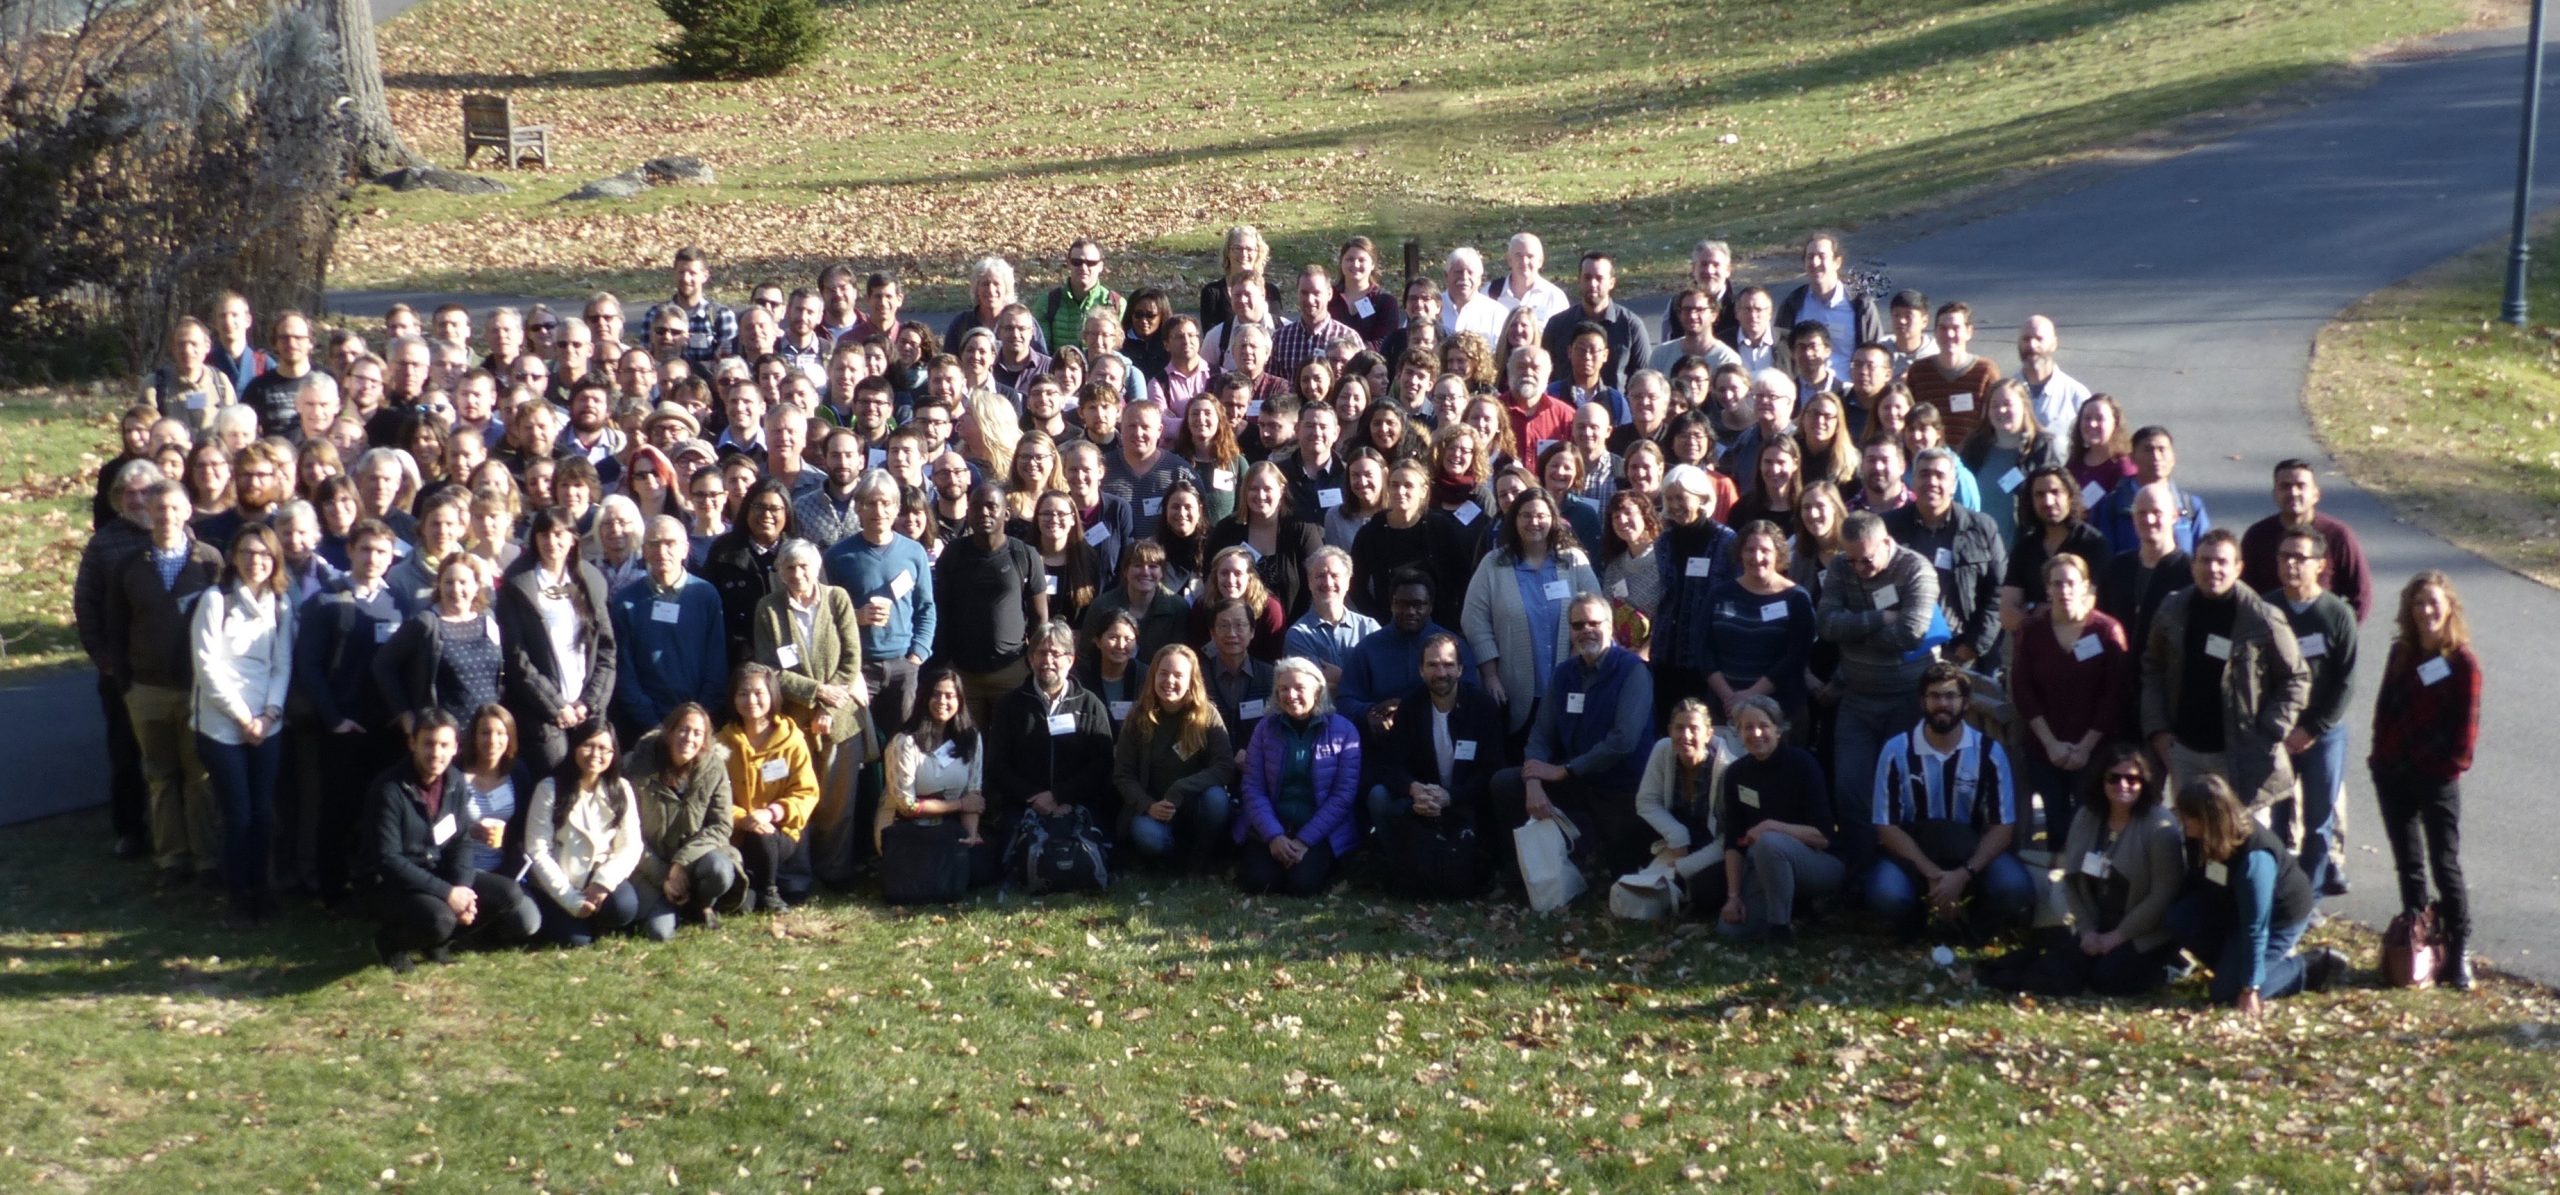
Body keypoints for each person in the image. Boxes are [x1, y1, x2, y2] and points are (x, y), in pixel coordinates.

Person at [104, 480, 225, 885]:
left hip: (196, 689)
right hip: (147, 689)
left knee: (199, 776)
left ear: (188, 511)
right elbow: (116, 627)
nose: (167, 517)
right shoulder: (130, 565)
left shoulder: (209, 562)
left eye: (174, 508)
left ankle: (206, 857)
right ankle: (171, 857)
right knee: (160, 775)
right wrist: (127, 682)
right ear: (147, 515)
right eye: (158, 509)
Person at [356, 711, 541, 971]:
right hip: (391, 883)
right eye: (428, 744)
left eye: (444, 745)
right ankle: (390, 943)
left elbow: (461, 839)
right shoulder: (389, 789)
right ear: (412, 744)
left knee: (508, 894)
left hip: (436, 869)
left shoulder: (454, 781)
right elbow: (388, 860)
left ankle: (436, 943)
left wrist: (462, 890)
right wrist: (447, 893)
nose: (436, 753)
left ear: (455, 748)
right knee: (440, 918)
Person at [1489, 594, 1658, 878]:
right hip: (1575, 782)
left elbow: (1623, 741)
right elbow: (1541, 734)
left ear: (1610, 625)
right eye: (1578, 625)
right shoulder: (1563, 674)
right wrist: (1532, 780)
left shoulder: (1633, 671)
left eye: (1594, 623)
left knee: (1625, 874)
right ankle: (1532, 872)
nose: (1586, 630)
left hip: (1621, 789)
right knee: (1505, 783)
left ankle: (1586, 861)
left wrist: (1565, 770)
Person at [2368, 571, 2482, 989]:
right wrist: (2380, 758)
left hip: (2436, 778)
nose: (2426, 611)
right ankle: (2418, 942)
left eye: (2433, 603)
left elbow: (2465, 736)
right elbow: (2384, 710)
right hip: (2393, 773)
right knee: (2409, 864)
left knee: (2444, 863)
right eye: (2418, 604)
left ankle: (2459, 949)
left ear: (2449, 607)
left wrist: (2442, 767)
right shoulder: (2401, 653)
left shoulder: (2463, 662)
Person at [1865, 663, 2033, 940]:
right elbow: (1886, 827)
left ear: (1965, 703)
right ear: (1922, 702)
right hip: (1914, 853)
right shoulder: (1896, 750)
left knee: (2015, 887)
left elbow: (2003, 828)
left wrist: (1962, 875)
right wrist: (1933, 875)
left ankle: (1972, 923)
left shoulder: (1990, 752)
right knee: (1886, 894)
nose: (1942, 704)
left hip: (1970, 853)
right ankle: (1915, 925)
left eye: (1950, 696)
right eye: (1934, 696)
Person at [2139, 530, 2309, 804]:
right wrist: (2157, 730)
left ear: (2238, 568)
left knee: (2241, 841)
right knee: (2193, 838)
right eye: (2204, 561)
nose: (2213, 569)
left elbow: (2297, 678)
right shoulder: (2171, 609)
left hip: (2241, 755)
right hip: (2184, 752)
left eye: (2221, 562)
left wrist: (2270, 731)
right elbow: (2152, 669)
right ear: (2193, 566)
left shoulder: (2263, 619)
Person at [2165, 776, 2350, 1013]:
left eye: (2188, 817)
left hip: (2277, 919)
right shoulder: (2198, 837)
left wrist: (2249, 988)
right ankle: (2233, 969)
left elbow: (2256, 927)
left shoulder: (2255, 859)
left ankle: (2308, 967)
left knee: (2226, 995)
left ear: (2210, 819)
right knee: (2179, 917)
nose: (2183, 822)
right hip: (2230, 908)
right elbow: (2193, 884)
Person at [294, 517, 408, 902]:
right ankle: (332, 892)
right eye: (365, 550)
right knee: (337, 812)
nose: (372, 558)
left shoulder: (398, 603)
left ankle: (376, 886)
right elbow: (308, 666)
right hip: (343, 728)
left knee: (382, 814)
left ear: (392, 557)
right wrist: (334, 718)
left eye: (381, 551)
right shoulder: (324, 600)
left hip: (387, 731)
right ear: (349, 551)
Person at [1816, 510, 1943, 853]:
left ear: (1887, 542)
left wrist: (1853, 630)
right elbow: (1826, 625)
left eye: (1867, 560)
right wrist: (1880, 617)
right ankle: (1861, 871)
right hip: (1857, 701)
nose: (1860, 568)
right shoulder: (1841, 567)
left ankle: (1905, 868)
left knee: (1904, 788)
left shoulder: (1917, 570)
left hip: (1908, 701)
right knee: (1850, 788)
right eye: (1853, 560)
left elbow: (1910, 634)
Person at [190, 523, 295, 927]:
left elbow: (282, 663)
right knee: (238, 815)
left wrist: (269, 714)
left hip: (266, 723)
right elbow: (207, 668)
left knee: (263, 813)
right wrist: (243, 718)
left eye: (265, 555)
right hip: (221, 725)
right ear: (235, 557)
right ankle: (238, 898)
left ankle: (263, 892)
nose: (257, 562)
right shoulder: (216, 601)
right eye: (249, 553)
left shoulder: (280, 604)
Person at [2008, 554, 2129, 853]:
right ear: (2047, 589)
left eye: (2071, 583)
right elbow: (2022, 690)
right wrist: (2050, 744)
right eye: (2056, 583)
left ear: (2085, 586)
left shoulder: (2106, 631)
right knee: (2056, 824)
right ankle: (2057, 893)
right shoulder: (2032, 630)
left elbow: (2115, 693)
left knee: (2091, 826)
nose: (2064, 590)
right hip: (2045, 747)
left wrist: (2086, 747)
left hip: (2095, 749)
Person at [2046, 745, 2187, 995]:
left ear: (2143, 783)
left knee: (2108, 980)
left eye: (2132, 779)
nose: (2123, 785)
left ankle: (2171, 966)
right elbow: (2072, 879)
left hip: (2144, 930)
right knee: (2067, 969)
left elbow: (2164, 894)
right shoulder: (2086, 816)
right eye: (2114, 777)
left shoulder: (2160, 825)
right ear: (2102, 780)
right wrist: (2087, 931)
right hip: (2099, 922)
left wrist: (2118, 936)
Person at [1462, 489, 1603, 737]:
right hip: (1511, 690)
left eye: (1541, 515)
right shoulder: (1493, 564)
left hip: (1571, 685)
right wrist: (1490, 675)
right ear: (1514, 520)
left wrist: (1577, 663)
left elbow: (1597, 612)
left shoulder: (1573, 561)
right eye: (1525, 516)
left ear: (1554, 519)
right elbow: (1474, 620)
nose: (1534, 522)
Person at [2264, 528, 2358, 898]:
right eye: (2284, 556)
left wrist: (2314, 729)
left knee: (2318, 821)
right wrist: (2277, 727)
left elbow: (2346, 683)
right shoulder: (2266, 608)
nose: (2290, 564)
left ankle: (2311, 897)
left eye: (2300, 558)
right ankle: (2276, 892)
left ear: (2319, 565)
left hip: (2323, 735)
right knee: (2276, 818)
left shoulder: (2336, 614)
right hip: (2277, 732)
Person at [496, 508, 618, 777]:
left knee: (593, 782)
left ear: (573, 538)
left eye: (559, 534)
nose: (552, 542)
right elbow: (517, 658)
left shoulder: (589, 582)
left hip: (587, 707)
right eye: (544, 534)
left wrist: (589, 703)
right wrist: (556, 706)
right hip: (542, 713)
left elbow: (607, 650)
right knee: (555, 782)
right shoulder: (518, 586)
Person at [1707, 696, 1839, 943]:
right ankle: (1792, 907)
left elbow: (1824, 837)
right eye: (1747, 727)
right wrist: (1733, 896)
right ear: (1738, 733)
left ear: (1778, 730)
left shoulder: (1803, 765)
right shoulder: (1736, 774)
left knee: (1769, 842)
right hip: (1765, 864)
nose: (1756, 733)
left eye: (1763, 726)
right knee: (1731, 932)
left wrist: (1772, 826)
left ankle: (1780, 928)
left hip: (1820, 863)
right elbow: (1734, 840)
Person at [1234, 657, 1362, 896]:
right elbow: (1253, 787)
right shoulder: (1264, 729)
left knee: (1302, 886)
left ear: (1318, 690)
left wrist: (1304, 841)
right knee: (1259, 882)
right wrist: (1274, 836)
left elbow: (1343, 796)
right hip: (1273, 825)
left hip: (1319, 829)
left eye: (1299, 688)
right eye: (1283, 689)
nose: (1290, 695)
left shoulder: (1345, 731)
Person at [821, 469, 936, 733]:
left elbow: (926, 608)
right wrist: (857, 617)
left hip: (903, 666)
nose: (879, 510)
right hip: (858, 666)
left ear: (896, 509)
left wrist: (917, 654)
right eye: (870, 503)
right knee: (856, 742)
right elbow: (825, 615)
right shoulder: (839, 556)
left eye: (886, 503)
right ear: (858, 509)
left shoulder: (913, 552)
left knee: (902, 742)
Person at [522, 720, 648, 947]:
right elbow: (537, 851)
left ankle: (596, 916)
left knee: (624, 908)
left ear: (613, 753)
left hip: (597, 876)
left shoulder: (621, 789)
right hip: (561, 882)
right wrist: (570, 899)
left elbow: (631, 846)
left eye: (603, 749)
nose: (595, 754)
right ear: (575, 747)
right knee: (577, 940)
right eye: (588, 746)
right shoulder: (550, 788)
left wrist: (603, 883)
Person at [987, 621, 1117, 838]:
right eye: (1041, 653)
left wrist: (1060, 796)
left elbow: (1103, 763)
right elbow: (997, 764)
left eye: (1055, 654)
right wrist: (1035, 797)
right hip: (1024, 804)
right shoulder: (1009, 705)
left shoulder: (1090, 704)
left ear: (1070, 659)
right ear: (1031, 659)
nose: (1048, 661)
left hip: (1078, 803)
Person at [1113, 645, 1237, 870]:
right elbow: (1123, 774)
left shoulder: (1207, 714)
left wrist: (1182, 787)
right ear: (1153, 676)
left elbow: (1225, 766)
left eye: (1179, 675)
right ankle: (1177, 861)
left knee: (1217, 799)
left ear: (1192, 680)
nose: (1169, 680)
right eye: (1163, 673)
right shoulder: (1137, 717)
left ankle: (1201, 856)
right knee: (1146, 835)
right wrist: (1148, 805)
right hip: (1155, 808)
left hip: (1196, 805)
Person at [1884, 448, 2006, 668]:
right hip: (1904, 649)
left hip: (1964, 650)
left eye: (1939, 475)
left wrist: (1973, 645)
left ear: (1954, 484)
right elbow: (1875, 586)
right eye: (1924, 474)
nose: (1931, 481)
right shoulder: (1888, 528)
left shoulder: (1981, 528)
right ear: (1912, 480)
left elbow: (1998, 591)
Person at [608, 516, 729, 738]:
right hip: (644, 728)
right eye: (654, 543)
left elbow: (716, 664)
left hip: (697, 727)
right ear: (644, 550)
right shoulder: (626, 600)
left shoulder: (705, 595)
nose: (662, 551)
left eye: (670, 543)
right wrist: (653, 724)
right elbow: (624, 671)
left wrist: (696, 720)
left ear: (685, 549)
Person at [876, 665, 993, 891]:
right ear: (924, 698)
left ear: (959, 700)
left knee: (982, 869)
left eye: (949, 696)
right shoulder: (905, 741)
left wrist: (970, 838)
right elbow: (907, 806)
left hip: (947, 828)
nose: (942, 701)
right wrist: (958, 805)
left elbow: (973, 793)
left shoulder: (970, 737)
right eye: (935, 694)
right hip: (904, 827)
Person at [721, 663, 819, 912]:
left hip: (780, 833)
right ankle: (753, 888)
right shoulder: (720, 744)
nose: (751, 700)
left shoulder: (792, 739)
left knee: (763, 836)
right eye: (743, 693)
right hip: (737, 833)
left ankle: (769, 891)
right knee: (743, 908)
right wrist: (743, 818)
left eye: (758, 693)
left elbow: (807, 792)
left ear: (772, 696)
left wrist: (772, 813)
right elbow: (713, 799)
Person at [1703, 521, 1817, 725]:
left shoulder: (1796, 598)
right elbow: (1703, 650)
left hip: (1779, 714)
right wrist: (1730, 698)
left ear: (1778, 554)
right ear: (1740, 553)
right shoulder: (1719, 594)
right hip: (1724, 710)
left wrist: (1750, 696)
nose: (1757, 557)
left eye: (1765, 550)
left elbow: (1795, 657)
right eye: (1749, 550)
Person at [2239, 459, 2374, 622]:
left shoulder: (2339, 535)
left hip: (2320, 637)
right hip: (2270, 635)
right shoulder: (2257, 536)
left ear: (2316, 494)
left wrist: (2340, 631)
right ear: (2275, 494)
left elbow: (2361, 594)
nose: (2293, 492)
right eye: (2285, 486)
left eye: (2301, 486)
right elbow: (2242, 593)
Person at [1772, 233, 1883, 382]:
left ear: (1837, 262)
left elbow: (1876, 355)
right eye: (1810, 257)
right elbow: (1782, 354)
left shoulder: (1860, 306)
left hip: (1847, 395)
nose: (1815, 262)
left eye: (1822, 256)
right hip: (1805, 397)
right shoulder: (1793, 304)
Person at [1902, 302, 2001, 444]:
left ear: (1969, 332)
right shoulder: (1918, 371)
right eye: (1943, 328)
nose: (1949, 334)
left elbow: (1994, 420)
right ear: (1935, 332)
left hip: (1972, 459)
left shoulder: (1986, 371)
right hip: (1928, 457)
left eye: (1955, 328)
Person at [1283, 547, 1379, 687]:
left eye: (1335, 576)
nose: (1328, 583)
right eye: (1320, 575)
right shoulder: (1298, 635)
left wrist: (1340, 677)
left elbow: (1382, 678)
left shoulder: (1369, 628)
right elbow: (1310, 687)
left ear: (1348, 582)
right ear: (1309, 582)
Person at [2013, 315, 2092, 434]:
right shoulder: (2005, 394)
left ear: (2054, 344)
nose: (2032, 345)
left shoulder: (2075, 395)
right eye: (2026, 339)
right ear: (2018, 343)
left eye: (2039, 339)